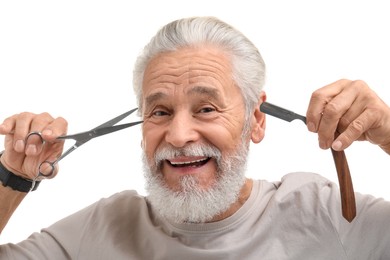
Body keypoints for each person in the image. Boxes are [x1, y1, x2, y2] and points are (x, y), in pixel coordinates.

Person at [1, 16, 390, 259]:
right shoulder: (105, 228)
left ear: (256, 120)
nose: (179, 135)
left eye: (206, 109)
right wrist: (13, 178)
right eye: (160, 112)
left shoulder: (323, 214)